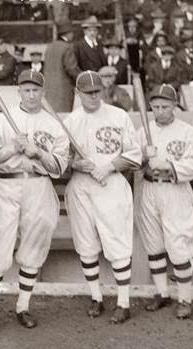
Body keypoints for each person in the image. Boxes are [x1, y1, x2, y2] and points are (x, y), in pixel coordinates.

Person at [0, 69, 69, 332]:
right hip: (6, 185)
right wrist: (11, 148)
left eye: (35, 90)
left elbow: (59, 167)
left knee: (34, 246)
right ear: (19, 91)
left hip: (39, 185)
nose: (31, 95)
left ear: (43, 92)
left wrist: (38, 153)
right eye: (26, 90)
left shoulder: (53, 125)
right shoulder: (2, 120)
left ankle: (23, 306)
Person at [64, 71, 141, 323]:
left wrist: (109, 166)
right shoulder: (70, 121)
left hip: (111, 184)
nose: (93, 96)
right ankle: (96, 297)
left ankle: (123, 302)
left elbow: (134, 154)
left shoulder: (118, 116)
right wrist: (75, 164)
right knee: (86, 244)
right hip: (81, 185)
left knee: (118, 243)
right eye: (88, 92)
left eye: (97, 91)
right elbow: (61, 160)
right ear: (78, 93)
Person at [137, 84, 193, 319]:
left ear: (174, 105)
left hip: (175, 190)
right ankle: (162, 293)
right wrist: (143, 157)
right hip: (149, 188)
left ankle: (184, 299)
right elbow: (131, 161)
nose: (160, 111)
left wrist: (168, 165)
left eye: (165, 106)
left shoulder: (187, 132)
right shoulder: (143, 131)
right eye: (155, 107)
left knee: (178, 244)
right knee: (153, 243)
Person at [44, 22, 80, 112]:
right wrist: (83, 77)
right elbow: (72, 69)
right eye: (72, 32)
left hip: (49, 89)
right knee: (64, 116)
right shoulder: (67, 47)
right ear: (68, 33)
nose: (73, 35)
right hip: (63, 91)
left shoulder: (50, 47)